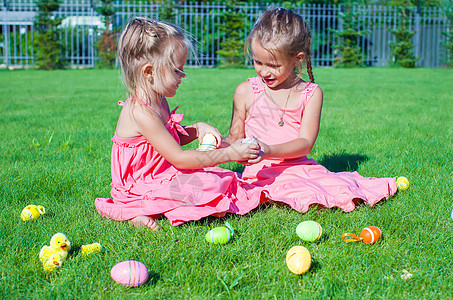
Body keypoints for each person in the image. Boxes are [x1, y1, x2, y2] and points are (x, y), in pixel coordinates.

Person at [222, 8, 397, 213]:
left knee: (328, 188)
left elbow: (305, 144)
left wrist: (267, 150)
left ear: (297, 59)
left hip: (298, 168)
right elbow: (234, 137)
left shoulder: (310, 93)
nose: (263, 71)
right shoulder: (245, 91)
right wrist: (216, 148)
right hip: (259, 172)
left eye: (273, 65)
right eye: (257, 62)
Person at [95, 17, 260, 230]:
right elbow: (180, 158)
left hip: (161, 173)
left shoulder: (158, 99)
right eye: (176, 70)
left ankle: (146, 209)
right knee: (205, 186)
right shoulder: (140, 112)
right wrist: (232, 154)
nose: (182, 76)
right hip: (140, 186)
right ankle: (133, 211)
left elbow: (169, 142)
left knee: (219, 178)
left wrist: (197, 127)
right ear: (148, 72)